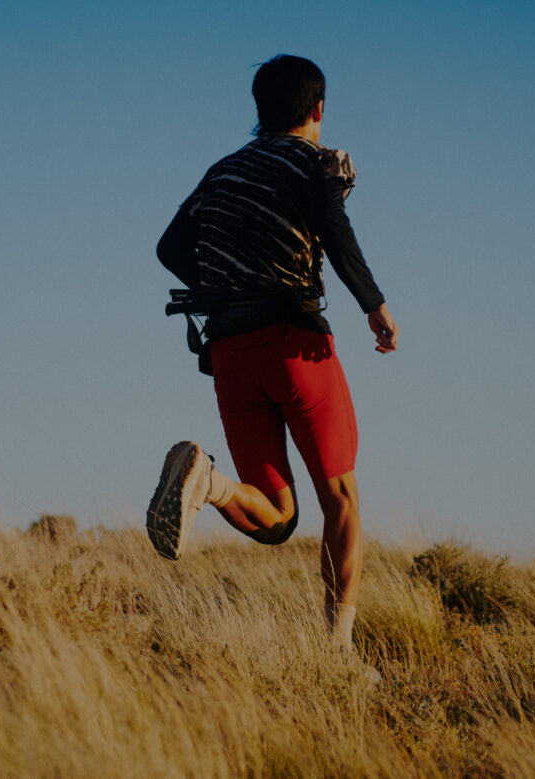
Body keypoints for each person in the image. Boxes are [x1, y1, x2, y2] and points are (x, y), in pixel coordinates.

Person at [149, 54, 398, 658]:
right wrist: (374, 304)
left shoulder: (222, 172)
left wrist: (226, 282)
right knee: (339, 496)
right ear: (318, 109)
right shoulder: (320, 162)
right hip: (296, 346)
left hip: (231, 352)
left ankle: (206, 480)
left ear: (259, 113)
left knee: (279, 520)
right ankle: (338, 649)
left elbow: (170, 246)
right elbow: (334, 228)